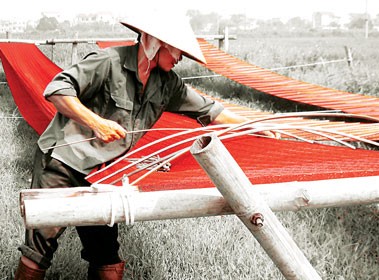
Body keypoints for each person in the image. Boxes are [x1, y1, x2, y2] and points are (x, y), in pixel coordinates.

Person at [14, 11, 276, 280]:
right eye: (177, 50)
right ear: (155, 43)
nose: (180, 58)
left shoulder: (169, 84)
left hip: (101, 174)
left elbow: (211, 111)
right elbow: (57, 89)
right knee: (39, 250)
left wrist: (252, 125)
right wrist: (96, 123)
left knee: (106, 256)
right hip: (62, 163)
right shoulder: (108, 61)